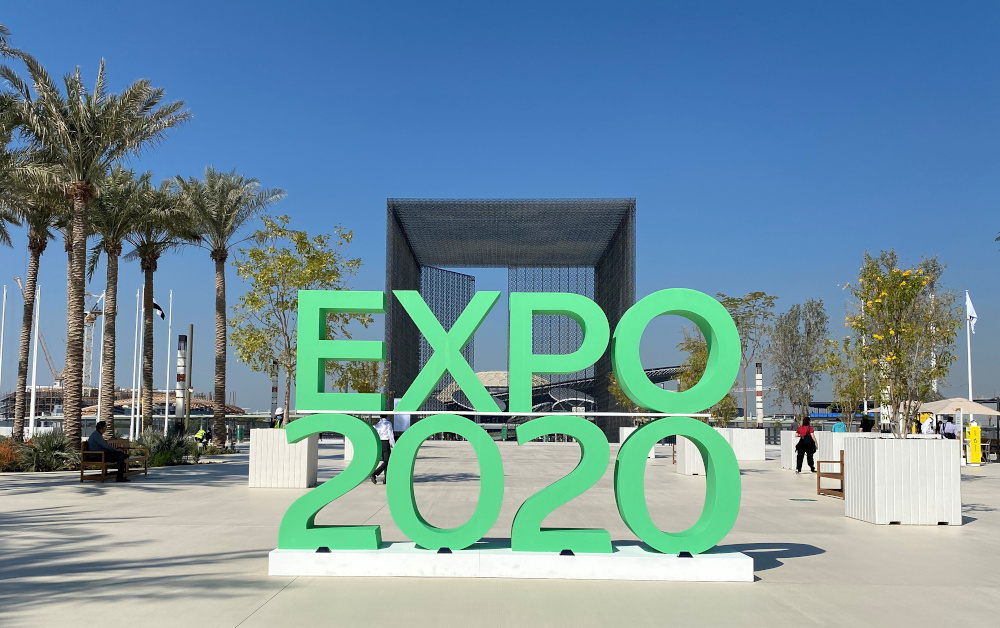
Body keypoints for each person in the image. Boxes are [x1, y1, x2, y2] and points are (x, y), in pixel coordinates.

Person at [371, 416, 395, 484]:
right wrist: (393, 445)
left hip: (379, 442)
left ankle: (386, 479)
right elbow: (390, 434)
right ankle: (375, 473)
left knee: (385, 461)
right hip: (385, 442)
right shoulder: (388, 423)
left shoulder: (378, 424)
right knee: (387, 461)